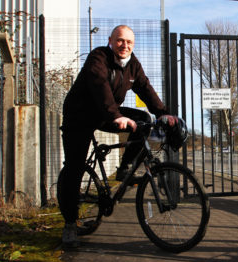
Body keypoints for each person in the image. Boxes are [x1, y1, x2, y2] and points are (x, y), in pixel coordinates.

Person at [59, 25, 177, 247]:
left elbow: (145, 88)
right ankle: (69, 224)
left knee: (144, 120)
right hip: (80, 116)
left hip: (106, 113)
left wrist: (164, 114)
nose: (125, 46)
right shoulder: (99, 57)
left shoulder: (133, 65)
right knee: (74, 168)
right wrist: (116, 115)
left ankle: (124, 169)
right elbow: (99, 85)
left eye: (129, 42)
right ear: (111, 40)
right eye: (120, 41)